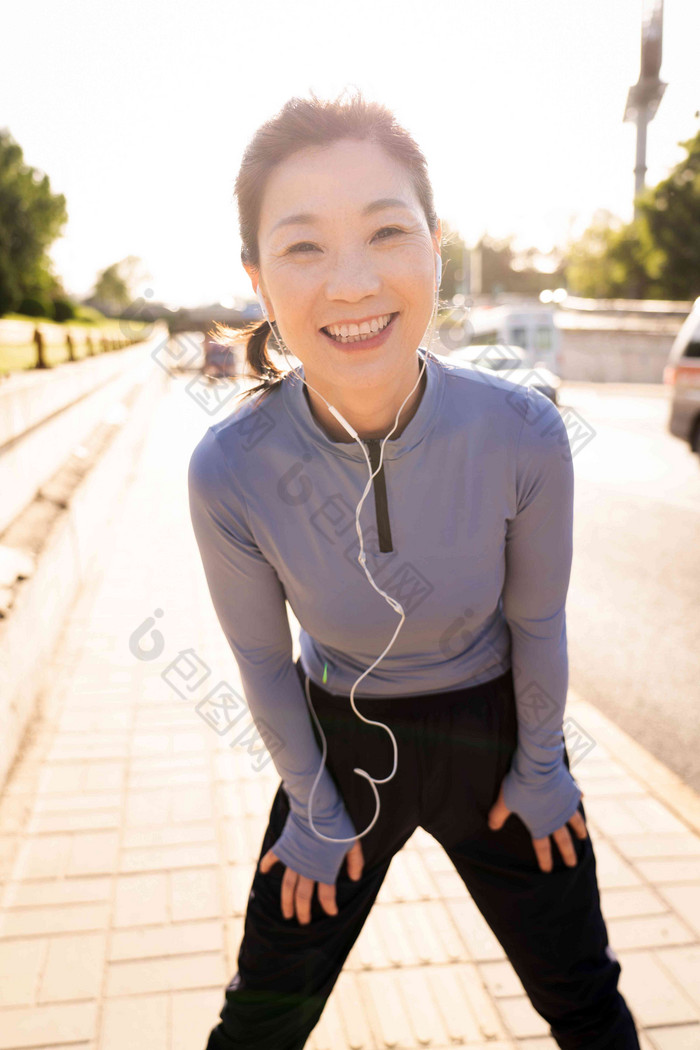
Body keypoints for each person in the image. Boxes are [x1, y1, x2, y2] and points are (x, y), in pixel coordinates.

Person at [188, 91, 641, 1050]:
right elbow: (266, 666)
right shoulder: (229, 467)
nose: (351, 283)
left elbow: (539, 624)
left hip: (497, 733)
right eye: (303, 246)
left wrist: (542, 763)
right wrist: (312, 811)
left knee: (587, 1004)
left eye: (387, 232)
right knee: (258, 1022)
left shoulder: (523, 432)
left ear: (436, 246)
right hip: (337, 748)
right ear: (257, 279)